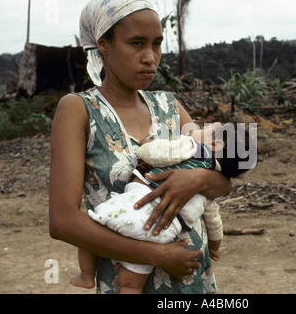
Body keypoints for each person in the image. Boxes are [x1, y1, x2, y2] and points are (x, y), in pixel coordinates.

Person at [49, 0, 233, 294]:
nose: (150, 57)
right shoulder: (79, 110)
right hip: (129, 281)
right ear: (102, 44)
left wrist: (196, 179)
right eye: (137, 43)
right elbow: (62, 221)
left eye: (156, 43)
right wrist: (158, 255)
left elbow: (223, 183)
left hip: (191, 279)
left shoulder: (169, 105)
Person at [70, 122, 252, 293]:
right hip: (162, 234)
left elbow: (156, 153)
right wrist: (215, 246)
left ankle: (86, 275)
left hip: (134, 210)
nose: (194, 127)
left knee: (92, 227)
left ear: (215, 143)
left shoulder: (190, 146)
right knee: (131, 283)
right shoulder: (211, 184)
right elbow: (214, 222)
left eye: (205, 127)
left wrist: (146, 144)